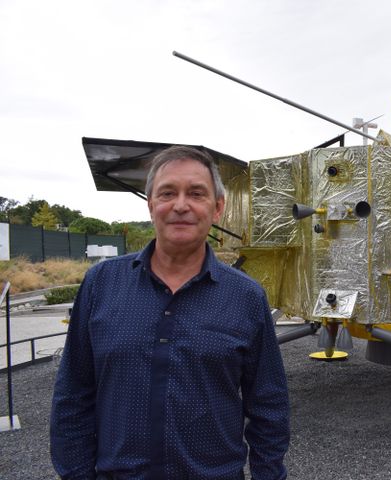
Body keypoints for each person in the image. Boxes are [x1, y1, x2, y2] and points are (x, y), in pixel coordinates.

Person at [51, 146, 289, 479]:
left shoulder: (245, 296)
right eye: (167, 193)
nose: (180, 205)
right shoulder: (101, 284)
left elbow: (268, 404)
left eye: (196, 193)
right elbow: (72, 396)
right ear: (150, 205)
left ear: (217, 207)